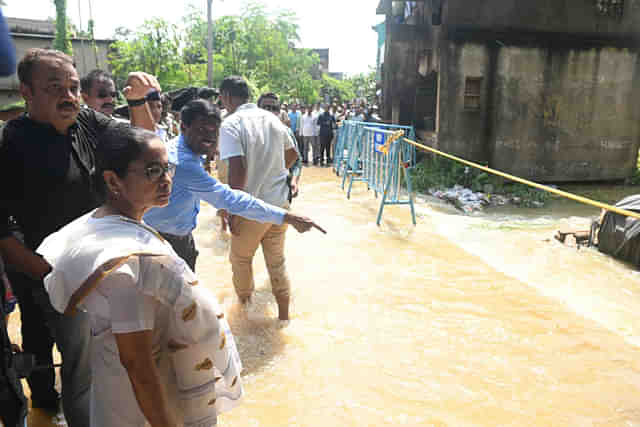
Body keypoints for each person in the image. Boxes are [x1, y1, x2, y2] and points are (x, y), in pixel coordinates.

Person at [37, 123, 245, 427]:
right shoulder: (125, 264)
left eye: (167, 168)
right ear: (113, 180)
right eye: (152, 171)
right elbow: (137, 363)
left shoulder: (99, 225)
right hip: (139, 405)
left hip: (115, 385)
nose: (167, 180)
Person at [0, 48, 159, 426]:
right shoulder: (11, 144)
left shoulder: (86, 122)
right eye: (55, 88)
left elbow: (143, 143)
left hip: (98, 268)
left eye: (73, 87)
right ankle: (47, 405)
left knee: (104, 358)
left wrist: (137, 100)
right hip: (48, 272)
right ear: (27, 93)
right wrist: (46, 272)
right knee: (77, 366)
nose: (69, 97)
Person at [144, 99, 320, 272]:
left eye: (214, 130)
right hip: (163, 240)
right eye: (202, 129)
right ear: (183, 127)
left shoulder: (183, 148)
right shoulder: (183, 163)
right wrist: (288, 217)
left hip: (174, 234)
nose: (210, 136)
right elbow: (230, 198)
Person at [219, 76, 307, 321]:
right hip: (280, 205)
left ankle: (246, 317)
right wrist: (274, 175)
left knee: (240, 259)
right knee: (277, 262)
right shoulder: (273, 119)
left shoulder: (230, 123)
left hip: (251, 207)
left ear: (225, 96)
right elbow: (292, 154)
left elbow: (236, 171)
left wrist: (231, 211)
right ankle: (284, 318)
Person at [258, 93, 303, 201]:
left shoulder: (286, 132)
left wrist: (294, 181)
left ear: (279, 111)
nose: (270, 111)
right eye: (266, 107)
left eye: (275, 108)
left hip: (280, 192)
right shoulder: (248, 132)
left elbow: (297, 161)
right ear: (257, 109)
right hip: (254, 193)